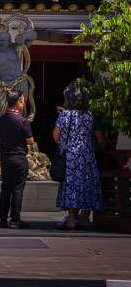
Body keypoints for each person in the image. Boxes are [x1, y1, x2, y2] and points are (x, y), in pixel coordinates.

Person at [53, 84, 103, 230]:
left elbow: (56, 134)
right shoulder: (89, 115)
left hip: (71, 155)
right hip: (87, 154)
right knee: (88, 184)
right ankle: (85, 219)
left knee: (72, 186)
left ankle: (71, 220)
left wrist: (64, 145)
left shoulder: (65, 115)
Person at [0, 90, 34, 229]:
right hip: (19, 157)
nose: (23, 104)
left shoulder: (1, 119)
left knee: (5, 188)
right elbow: (30, 141)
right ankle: (15, 219)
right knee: (17, 189)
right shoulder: (23, 121)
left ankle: (3, 219)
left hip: (5, 157)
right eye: (22, 101)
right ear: (18, 103)